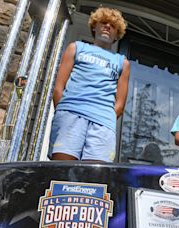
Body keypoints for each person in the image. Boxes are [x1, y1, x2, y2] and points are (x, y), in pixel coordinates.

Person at [49, 7, 130, 162]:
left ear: (117, 34)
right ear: (94, 26)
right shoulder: (76, 47)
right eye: (104, 22)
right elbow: (59, 87)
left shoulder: (122, 62)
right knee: (62, 170)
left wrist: (108, 118)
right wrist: (63, 110)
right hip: (70, 114)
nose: (107, 26)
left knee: (94, 177)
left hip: (103, 122)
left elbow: (120, 104)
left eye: (113, 26)